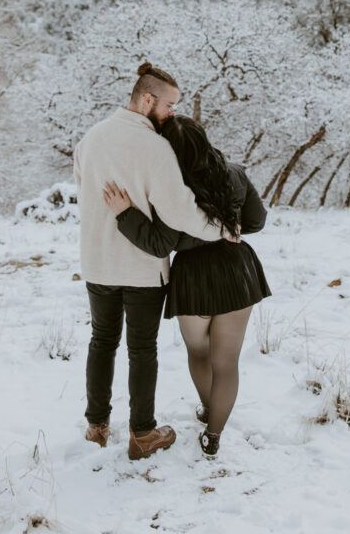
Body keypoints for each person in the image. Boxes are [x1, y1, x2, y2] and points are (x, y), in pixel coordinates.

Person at [74, 63, 224, 461]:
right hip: (141, 265)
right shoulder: (155, 148)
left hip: (97, 259)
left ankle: (97, 426)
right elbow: (180, 212)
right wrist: (220, 230)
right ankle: (142, 434)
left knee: (101, 342)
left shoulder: (91, 138)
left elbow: (82, 188)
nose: (173, 112)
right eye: (170, 104)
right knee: (142, 349)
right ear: (147, 99)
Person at [103, 114, 270, 458]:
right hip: (236, 271)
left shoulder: (171, 188)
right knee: (227, 362)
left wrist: (125, 214)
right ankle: (213, 433)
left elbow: (159, 243)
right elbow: (256, 220)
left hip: (193, 279)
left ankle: (209, 409)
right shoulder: (234, 172)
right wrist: (229, 228)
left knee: (199, 352)